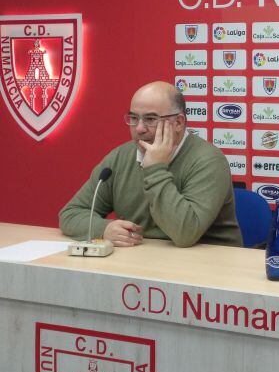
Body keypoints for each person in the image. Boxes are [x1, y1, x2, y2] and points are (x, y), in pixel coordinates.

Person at [60, 81, 241, 247]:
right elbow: (71, 213)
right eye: (133, 118)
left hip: (205, 266)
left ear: (178, 122)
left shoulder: (208, 160)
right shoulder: (120, 157)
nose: (139, 128)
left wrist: (155, 168)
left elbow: (185, 234)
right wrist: (104, 229)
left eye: (150, 119)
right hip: (142, 262)